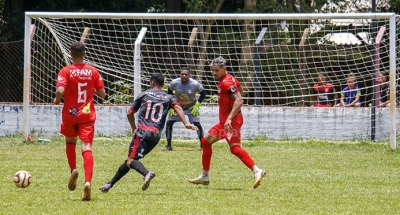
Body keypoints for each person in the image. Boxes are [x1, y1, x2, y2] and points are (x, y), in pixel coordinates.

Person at [99, 73, 198, 193]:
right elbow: (178, 108)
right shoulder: (169, 97)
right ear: (163, 84)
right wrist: (186, 124)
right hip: (155, 136)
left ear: (152, 83)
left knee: (131, 160)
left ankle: (146, 174)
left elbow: (130, 113)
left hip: (142, 133)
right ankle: (109, 184)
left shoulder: (145, 94)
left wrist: (134, 128)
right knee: (130, 161)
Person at [188, 56, 266, 189]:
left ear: (224, 69)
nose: (214, 73)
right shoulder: (229, 78)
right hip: (225, 121)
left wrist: (230, 117)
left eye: (217, 70)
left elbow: (239, 100)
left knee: (235, 148)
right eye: (212, 70)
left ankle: (257, 170)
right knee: (206, 141)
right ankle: (205, 176)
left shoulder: (226, 83)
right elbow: (239, 89)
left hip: (231, 121)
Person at [53, 41, 106, 201]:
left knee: (70, 142)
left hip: (70, 114)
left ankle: (73, 170)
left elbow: (60, 90)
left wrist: (57, 100)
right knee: (86, 147)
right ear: (85, 53)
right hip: (86, 115)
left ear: (70, 54)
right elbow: (102, 94)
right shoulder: (93, 71)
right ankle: (88, 182)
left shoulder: (65, 71)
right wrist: (93, 90)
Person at [163, 67, 206, 151]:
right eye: (182, 74)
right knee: (169, 123)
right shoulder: (174, 83)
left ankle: (202, 145)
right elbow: (169, 93)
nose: (184, 76)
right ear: (180, 75)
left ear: (189, 75)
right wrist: (171, 105)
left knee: (197, 125)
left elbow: (203, 93)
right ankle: (168, 145)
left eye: (186, 74)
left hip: (191, 108)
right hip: (178, 107)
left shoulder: (195, 84)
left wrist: (197, 105)